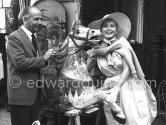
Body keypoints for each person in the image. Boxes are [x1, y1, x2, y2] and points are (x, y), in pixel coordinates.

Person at [87, 12, 157, 125]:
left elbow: (127, 69)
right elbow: (86, 70)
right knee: (114, 120)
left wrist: (116, 89)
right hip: (109, 85)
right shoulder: (98, 49)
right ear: (101, 30)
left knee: (133, 118)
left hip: (128, 84)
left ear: (116, 29)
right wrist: (91, 54)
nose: (108, 29)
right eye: (105, 26)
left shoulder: (123, 44)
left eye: (112, 26)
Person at [7, 6, 56, 125]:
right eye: (36, 19)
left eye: (41, 19)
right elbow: (20, 63)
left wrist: (50, 60)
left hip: (34, 95)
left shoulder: (33, 37)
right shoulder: (15, 37)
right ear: (25, 19)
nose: (40, 22)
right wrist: (43, 58)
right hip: (21, 96)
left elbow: (35, 63)